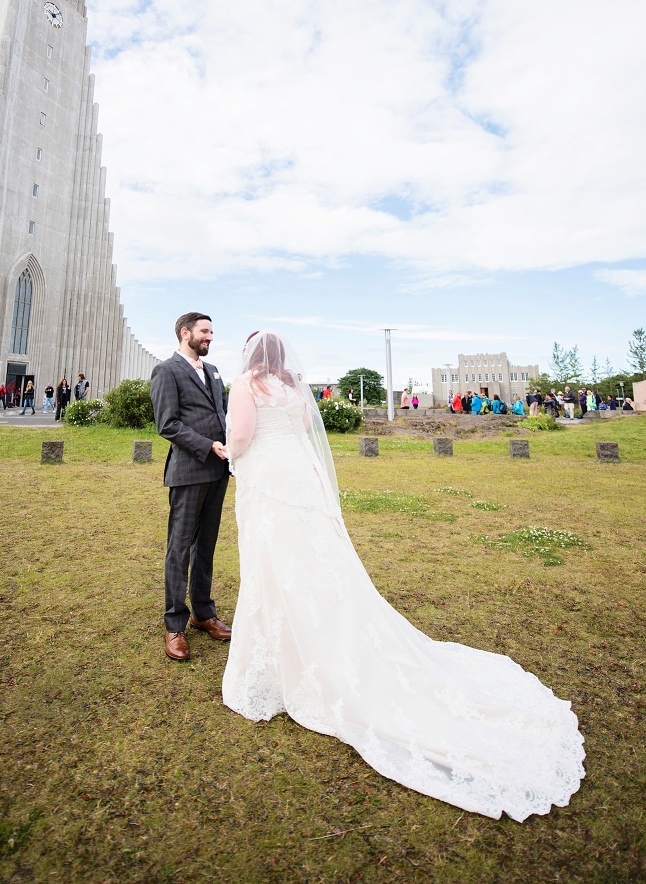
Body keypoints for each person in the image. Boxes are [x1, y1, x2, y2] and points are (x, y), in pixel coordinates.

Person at [222, 331, 584, 821]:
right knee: (314, 563)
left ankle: (287, 656)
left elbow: (242, 437)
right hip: (301, 478)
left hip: (268, 480)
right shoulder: (292, 386)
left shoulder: (247, 385)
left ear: (250, 357)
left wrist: (226, 451)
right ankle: (310, 638)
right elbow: (306, 426)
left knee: (273, 563)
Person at [150, 313, 232, 662]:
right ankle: (174, 624)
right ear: (186, 333)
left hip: (218, 472)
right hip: (188, 471)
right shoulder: (166, 371)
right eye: (204, 331)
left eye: (211, 332)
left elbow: (225, 414)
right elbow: (167, 424)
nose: (210, 337)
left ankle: (203, 613)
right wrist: (207, 445)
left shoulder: (213, 372)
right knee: (179, 548)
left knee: (206, 546)